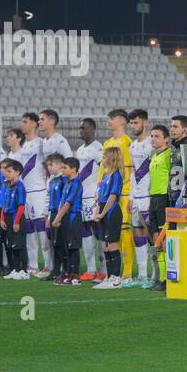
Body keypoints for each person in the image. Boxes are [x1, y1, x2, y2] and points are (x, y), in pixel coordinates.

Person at [18, 112, 52, 276]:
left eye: (25, 122)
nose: (22, 124)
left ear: (33, 124)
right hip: (26, 192)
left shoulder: (40, 143)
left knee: (41, 230)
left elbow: (47, 167)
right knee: (29, 230)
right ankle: (32, 264)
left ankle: (48, 264)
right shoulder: (24, 145)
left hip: (39, 191)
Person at [126, 108, 155, 287]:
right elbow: (133, 173)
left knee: (152, 235)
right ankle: (142, 275)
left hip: (148, 196)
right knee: (137, 232)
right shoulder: (133, 146)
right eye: (131, 123)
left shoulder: (152, 144)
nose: (133, 126)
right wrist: (130, 197)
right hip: (136, 197)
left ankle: (155, 274)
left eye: (136, 122)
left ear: (145, 123)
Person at [104, 109, 134, 278]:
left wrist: (131, 195)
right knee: (112, 232)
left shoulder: (127, 142)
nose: (109, 121)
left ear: (122, 121)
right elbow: (103, 169)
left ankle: (127, 272)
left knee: (124, 231)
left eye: (112, 118)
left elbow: (132, 169)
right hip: (109, 194)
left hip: (124, 192)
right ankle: (112, 271)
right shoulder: (107, 143)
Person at [74, 118, 106, 280]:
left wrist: (100, 192)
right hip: (82, 196)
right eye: (80, 129)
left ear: (92, 130)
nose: (81, 131)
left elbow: (104, 170)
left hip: (93, 196)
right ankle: (91, 269)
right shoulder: (79, 150)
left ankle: (104, 268)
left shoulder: (98, 148)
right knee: (85, 231)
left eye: (84, 128)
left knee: (98, 231)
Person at [91, 147, 126, 289]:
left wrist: (102, 213)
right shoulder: (105, 176)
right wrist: (96, 213)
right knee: (105, 246)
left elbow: (112, 197)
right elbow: (100, 197)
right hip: (103, 211)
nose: (102, 159)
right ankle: (109, 276)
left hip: (111, 212)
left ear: (111, 158)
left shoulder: (116, 175)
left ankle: (116, 278)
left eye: (104, 157)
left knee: (112, 244)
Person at [147, 124, 172, 292]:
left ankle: (167, 279)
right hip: (154, 198)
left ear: (166, 139)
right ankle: (161, 279)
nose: (153, 139)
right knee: (156, 240)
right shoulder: (153, 156)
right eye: (152, 136)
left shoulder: (169, 155)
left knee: (163, 240)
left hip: (164, 198)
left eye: (157, 136)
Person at [52, 157, 84, 285]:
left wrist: (58, 217)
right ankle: (67, 272)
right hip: (64, 217)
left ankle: (75, 274)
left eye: (65, 168)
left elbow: (69, 203)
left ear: (74, 169)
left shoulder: (76, 183)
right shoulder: (67, 183)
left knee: (73, 247)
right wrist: (58, 218)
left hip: (73, 217)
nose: (62, 170)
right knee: (66, 246)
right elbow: (62, 201)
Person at [0, 159, 29, 280]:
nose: (6, 173)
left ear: (17, 172)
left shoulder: (20, 186)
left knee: (20, 245)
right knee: (11, 245)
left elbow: (21, 206)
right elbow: (3, 204)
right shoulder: (6, 185)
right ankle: (15, 269)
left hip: (17, 218)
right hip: (7, 217)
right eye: (6, 171)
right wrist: (2, 219)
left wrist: (16, 222)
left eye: (9, 171)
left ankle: (24, 271)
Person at [41, 153, 67, 281]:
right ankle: (55, 270)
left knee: (61, 243)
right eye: (48, 165)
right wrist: (47, 216)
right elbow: (48, 199)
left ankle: (65, 270)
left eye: (51, 164)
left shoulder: (64, 179)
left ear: (60, 165)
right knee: (54, 244)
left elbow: (66, 200)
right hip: (53, 214)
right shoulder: (52, 180)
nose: (49, 167)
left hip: (61, 215)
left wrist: (60, 216)